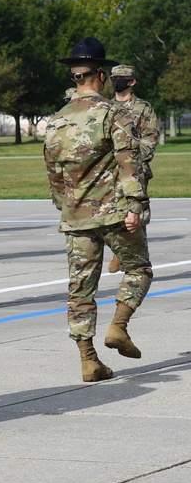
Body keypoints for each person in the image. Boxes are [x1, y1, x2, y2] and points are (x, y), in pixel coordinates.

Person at [44, 37, 152, 383]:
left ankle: (88, 360)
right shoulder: (114, 113)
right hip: (115, 213)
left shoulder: (57, 120)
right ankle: (118, 327)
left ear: (74, 77)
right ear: (101, 75)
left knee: (80, 291)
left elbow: (54, 175)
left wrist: (68, 206)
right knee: (138, 270)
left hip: (75, 218)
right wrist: (135, 205)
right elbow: (129, 163)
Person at [106, 64, 159, 274]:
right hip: (109, 172)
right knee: (111, 214)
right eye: (113, 78)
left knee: (137, 216)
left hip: (135, 171)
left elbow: (150, 142)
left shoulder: (144, 108)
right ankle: (119, 252)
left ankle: (137, 262)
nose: (116, 81)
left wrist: (129, 159)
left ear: (132, 82)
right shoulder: (105, 108)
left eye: (121, 78)